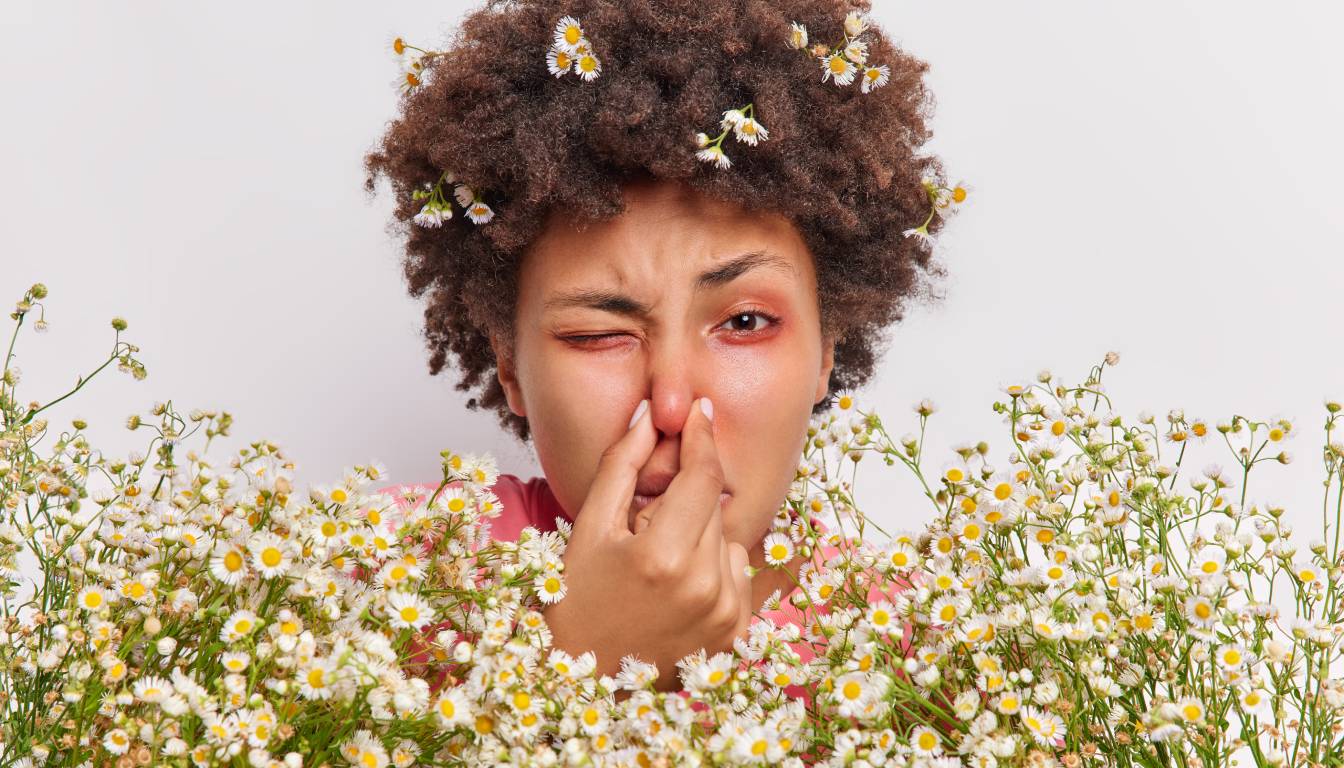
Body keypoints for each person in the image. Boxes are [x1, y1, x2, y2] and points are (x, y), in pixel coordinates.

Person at [364, 0, 951, 694]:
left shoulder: (923, 655)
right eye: (598, 334)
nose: (672, 405)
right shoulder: (376, 569)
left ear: (827, 349)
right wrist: (585, 661)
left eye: (744, 323)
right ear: (508, 363)